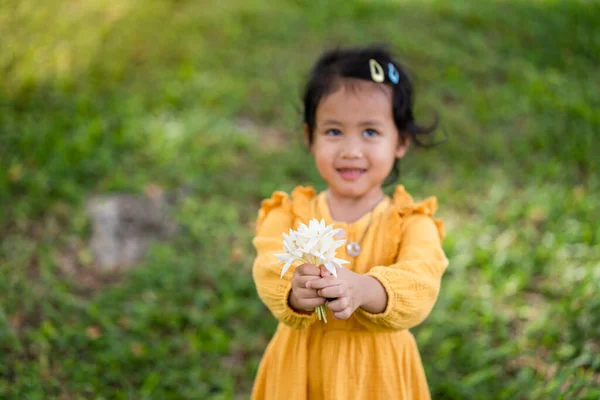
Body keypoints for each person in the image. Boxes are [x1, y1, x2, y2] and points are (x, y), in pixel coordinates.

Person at [251, 44, 449, 400]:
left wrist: (365, 289)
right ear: (309, 137)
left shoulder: (411, 223)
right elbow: (268, 265)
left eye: (370, 132)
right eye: (334, 132)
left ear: (401, 141)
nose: (350, 150)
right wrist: (294, 291)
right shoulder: (288, 214)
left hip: (379, 375)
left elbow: (421, 284)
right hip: (302, 370)